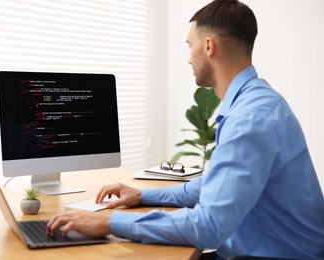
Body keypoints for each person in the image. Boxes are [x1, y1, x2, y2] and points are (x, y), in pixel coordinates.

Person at [47, 0, 324, 259]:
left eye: (188, 45)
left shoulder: (250, 119)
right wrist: (143, 195)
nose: (188, 59)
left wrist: (108, 221)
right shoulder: (258, 101)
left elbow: (209, 225)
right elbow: (216, 185)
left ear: (208, 46)